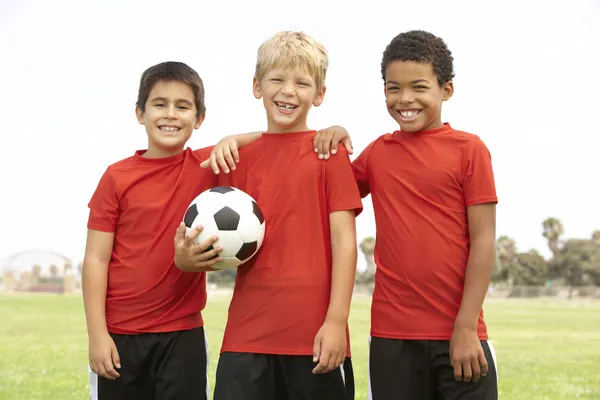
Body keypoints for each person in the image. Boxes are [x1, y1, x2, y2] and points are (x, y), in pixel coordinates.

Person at [83, 60, 351, 400]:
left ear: (198, 119)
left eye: (182, 107)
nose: (170, 115)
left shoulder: (208, 166)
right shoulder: (116, 177)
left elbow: (275, 142)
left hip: (183, 332)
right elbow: (95, 258)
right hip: (119, 334)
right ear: (140, 113)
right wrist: (97, 333)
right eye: (159, 105)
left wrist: (333, 130)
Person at [175, 31, 362, 400]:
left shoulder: (330, 154)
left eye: (302, 83)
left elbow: (345, 243)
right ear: (257, 86)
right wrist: (184, 258)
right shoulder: (233, 157)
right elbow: (173, 177)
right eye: (277, 79)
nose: (288, 91)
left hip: (315, 340)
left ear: (320, 94)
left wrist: (337, 321)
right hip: (246, 338)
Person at [321, 29, 499, 400]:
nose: (405, 99)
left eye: (419, 87)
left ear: (445, 90)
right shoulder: (377, 154)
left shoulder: (470, 150)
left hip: (460, 335)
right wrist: (337, 139)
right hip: (392, 336)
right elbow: (326, 196)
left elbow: (483, 240)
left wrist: (466, 326)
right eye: (393, 88)